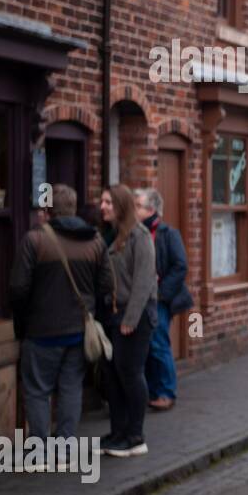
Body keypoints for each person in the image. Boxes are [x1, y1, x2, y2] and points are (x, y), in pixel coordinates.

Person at [9, 184, 113, 466]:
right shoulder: (95, 242)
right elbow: (106, 285)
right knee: (70, 389)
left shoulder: (34, 241)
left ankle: (41, 451)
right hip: (79, 332)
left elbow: (18, 288)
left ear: (49, 210)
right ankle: (65, 450)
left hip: (41, 331)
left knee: (38, 390)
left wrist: (22, 322)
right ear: (74, 208)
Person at [97, 184, 157, 458]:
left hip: (135, 315)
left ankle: (135, 436)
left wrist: (130, 319)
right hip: (112, 314)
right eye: (102, 202)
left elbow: (144, 282)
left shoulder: (140, 237)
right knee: (112, 375)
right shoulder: (109, 235)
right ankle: (118, 432)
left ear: (120, 206)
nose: (103, 207)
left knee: (130, 373)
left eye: (108, 202)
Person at [134, 189, 193, 412]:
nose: (134, 210)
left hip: (159, 300)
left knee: (159, 345)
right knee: (146, 346)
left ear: (151, 210)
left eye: (138, 206)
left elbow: (180, 267)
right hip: (141, 299)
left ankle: (166, 392)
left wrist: (160, 294)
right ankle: (152, 390)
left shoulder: (168, 233)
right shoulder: (135, 233)